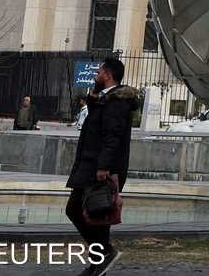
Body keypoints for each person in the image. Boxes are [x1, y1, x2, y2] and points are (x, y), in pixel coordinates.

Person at [66, 56, 139, 275]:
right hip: (93, 164)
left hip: (99, 167)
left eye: (99, 72)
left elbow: (112, 137)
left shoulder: (116, 102)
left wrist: (103, 167)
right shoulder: (106, 99)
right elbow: (96, 117)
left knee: (75, 209)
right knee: (99, 217)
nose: (95, 75)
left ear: (107, 74)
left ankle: (105, 253)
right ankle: (99, 264)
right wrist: (94, 93)